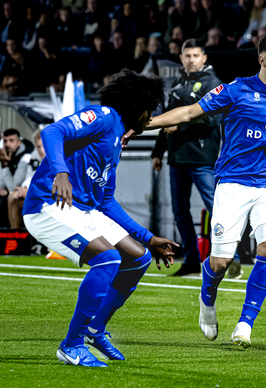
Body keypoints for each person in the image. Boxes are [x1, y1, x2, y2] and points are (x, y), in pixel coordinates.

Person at [147, 32, 266, 348]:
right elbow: (190, 112)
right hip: (233, 184)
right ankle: (207, 300)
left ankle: (245, 324)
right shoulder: (236, 90)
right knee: (220, 262)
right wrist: (144, 124)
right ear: (263, 61)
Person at [22, 69, 177, 367]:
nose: (150, 118)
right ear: (136, 105)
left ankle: (95, 329)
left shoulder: (117, 139)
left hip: (84, 209)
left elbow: (105, 201)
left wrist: (149, 237)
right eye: (149, 111)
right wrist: (61, 172)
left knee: (138, 258)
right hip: (48, 205)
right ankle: (72, 345)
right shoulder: (103, 116)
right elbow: (51, 132)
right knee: (108, 259)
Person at [151, 39, 221, 277]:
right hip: (176, 158)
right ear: (181, 58)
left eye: (195, 55)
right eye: (187, 56)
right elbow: (166, 120)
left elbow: (212, 119)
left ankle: (231, 257)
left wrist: (178, 128)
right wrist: (158, 152)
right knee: (180, 212)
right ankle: (192, 261)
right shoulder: (177, 84)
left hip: (202, 158)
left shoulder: (214, 84)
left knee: (216, 208)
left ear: (204, 58)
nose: (191, 60)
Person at [7, 129, 45, 229]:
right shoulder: (33, 156)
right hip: (32, 192)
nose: (41, 150)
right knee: (12, 196)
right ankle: (15, 234)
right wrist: (24, 188)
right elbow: (29, 175)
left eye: (43, 145)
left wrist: (28, 190)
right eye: (38, 146)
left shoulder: (56, 158)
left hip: (46, 198)